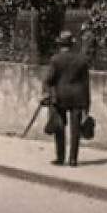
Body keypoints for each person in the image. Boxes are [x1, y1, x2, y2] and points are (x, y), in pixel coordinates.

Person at [41, 30, 91, 167]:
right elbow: (86, 83)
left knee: (59, 127)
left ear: (60, 44)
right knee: (75, 130)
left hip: (60, 97)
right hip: (78, 97)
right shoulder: (82, 59)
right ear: (72, 44)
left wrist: (45, 93)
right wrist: (87, 104)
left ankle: (60, 158)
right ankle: (73, 159)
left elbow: (49, 79)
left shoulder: (56, 59)